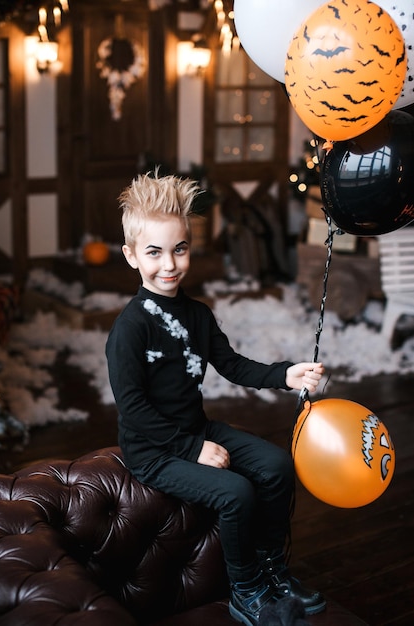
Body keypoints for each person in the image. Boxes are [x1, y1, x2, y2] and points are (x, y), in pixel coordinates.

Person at [106, 170, 326, 626]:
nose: (169, 264)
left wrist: (286, 375)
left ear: (189, 247)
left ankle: (271, 571)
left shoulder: (197, 315)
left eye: (179, 249)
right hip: (153, 450)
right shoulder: (130, 329)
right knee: (236, 492)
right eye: (154, 253)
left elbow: (233, 365)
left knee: (277, 465)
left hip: (194, 428)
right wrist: (192, 449)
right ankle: (245, 591)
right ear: (131, 256)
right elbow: (133, 409)